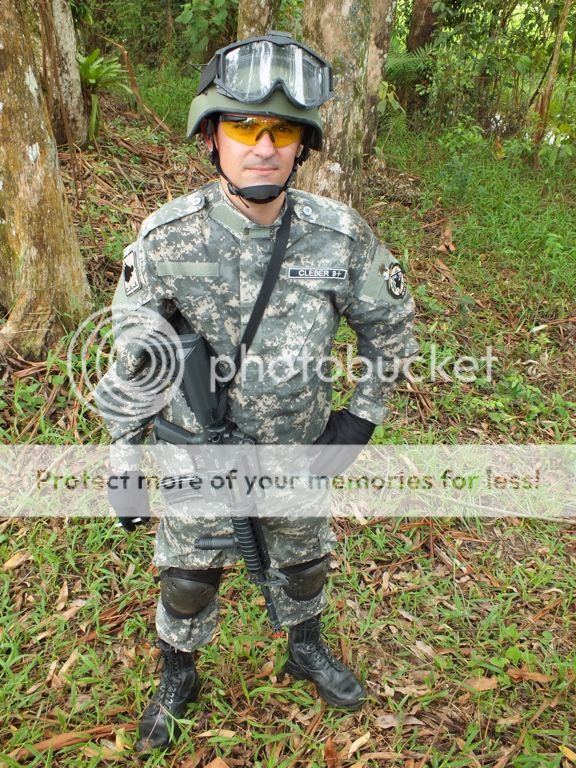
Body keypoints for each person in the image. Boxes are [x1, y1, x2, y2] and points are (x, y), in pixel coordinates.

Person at [97, 31, 418, 753]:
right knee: (188, 578)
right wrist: (124, 460)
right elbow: (134, 363)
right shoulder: (165, 239)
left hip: (298, 458)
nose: (263, 146)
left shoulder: (340, 238)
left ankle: (304, 648)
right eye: (245, 127)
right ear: (211, 137)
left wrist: (358, 423)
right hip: (195, 462)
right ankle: (178, 673)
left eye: (283, 131)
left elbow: (391, 332)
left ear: (303, 145)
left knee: (304, 564)